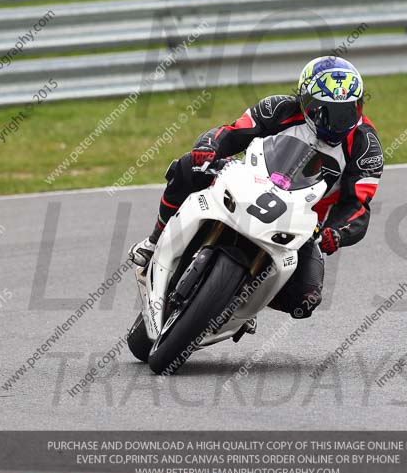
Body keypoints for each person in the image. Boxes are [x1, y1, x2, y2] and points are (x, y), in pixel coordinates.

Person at [128, 56, 383, 319]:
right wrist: (208, 147)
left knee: (305, 300)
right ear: (307, 103)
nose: (339, 123)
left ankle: (241, 300)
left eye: (349, 110)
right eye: (328, 112)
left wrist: (336, 233)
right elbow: (232, 132)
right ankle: (154, 240)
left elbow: (357, 205)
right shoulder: (279, 109)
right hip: (248, 184)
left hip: (301, 223)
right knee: (187, 166)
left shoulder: (366, 146)